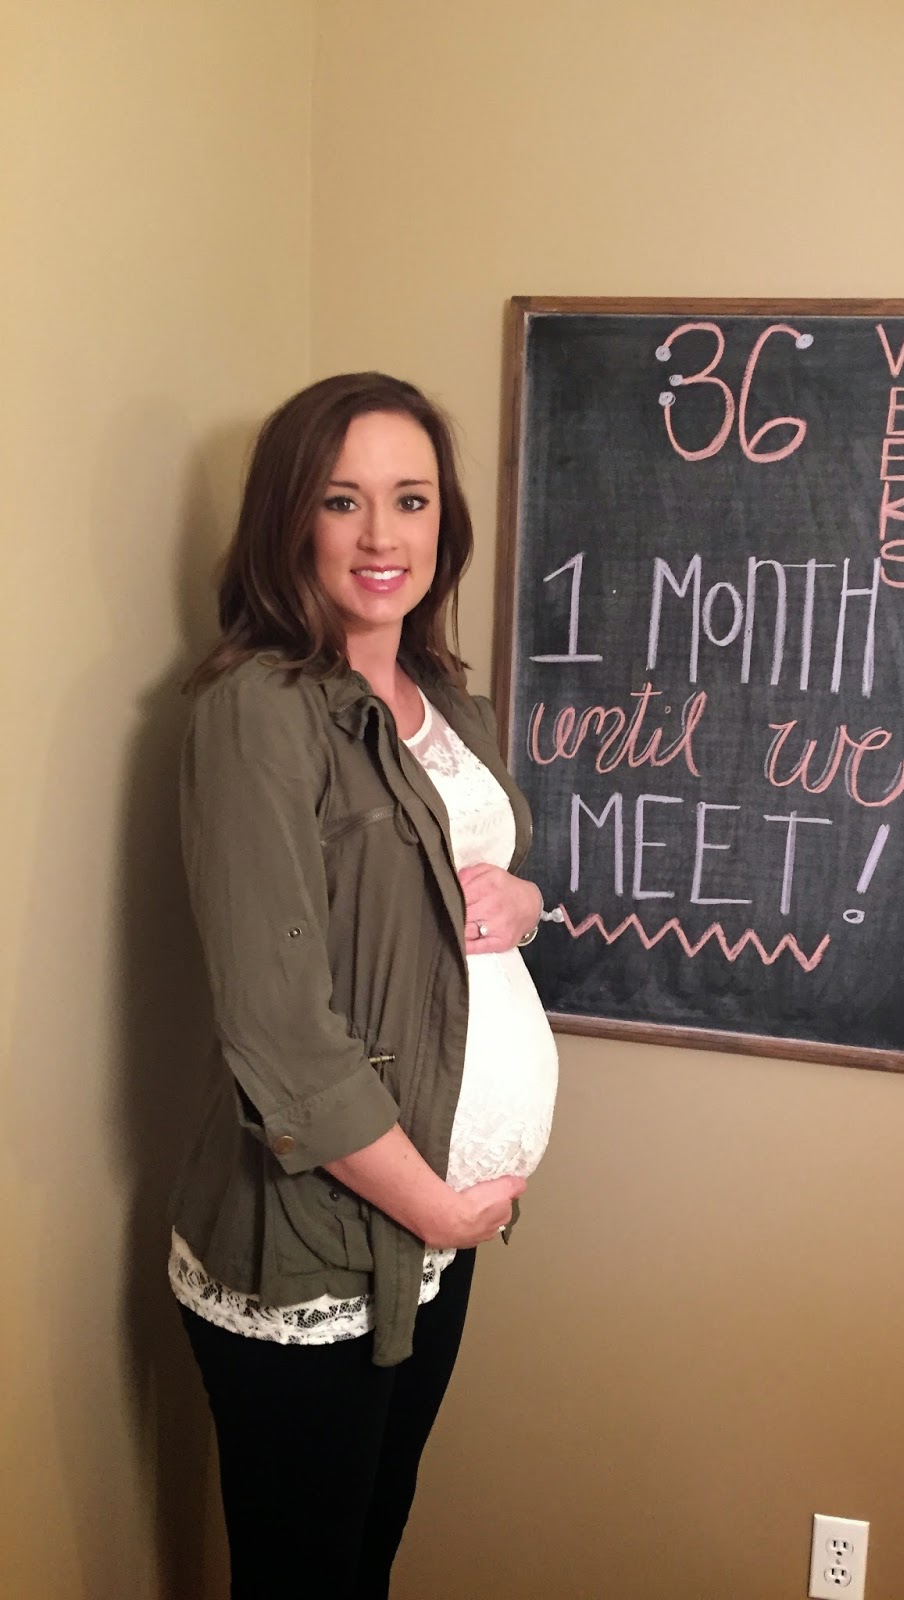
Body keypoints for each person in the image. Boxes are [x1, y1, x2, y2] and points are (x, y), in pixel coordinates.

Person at [168, 372, 558, 1598]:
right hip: (326, 1245)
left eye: (411, 498)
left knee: (367, 1555)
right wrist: (439, 1209)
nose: (382, 534)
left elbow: (456, 882)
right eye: (342, 500)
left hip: (435, 1236)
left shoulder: (447, 701)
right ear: (289, 518)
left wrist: (524, 900)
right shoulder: (258, 714)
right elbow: (279, 1032)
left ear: (446, 522)